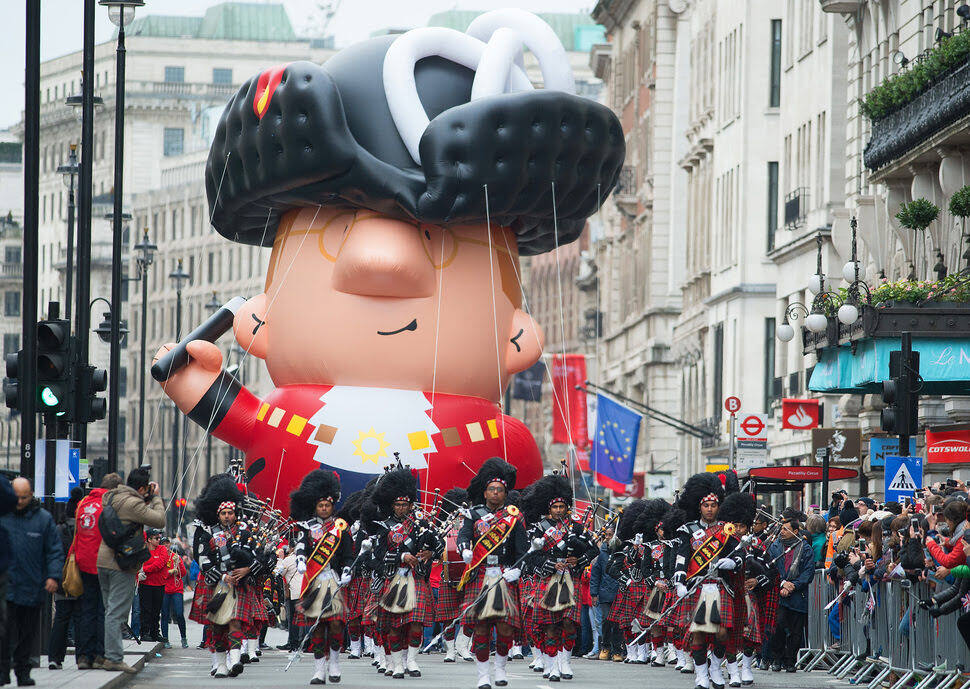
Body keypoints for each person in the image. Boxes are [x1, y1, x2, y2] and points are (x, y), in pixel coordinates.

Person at [456, 458, 527, 689]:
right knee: (482, 627)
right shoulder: (473, 514)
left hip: (504, 576)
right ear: (485, 492)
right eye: (491, 489)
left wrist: (518, 569)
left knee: (506, 628)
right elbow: (463, 536)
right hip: (480, 574)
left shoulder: (514, 517)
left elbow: (522, 550)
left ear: (506, 494)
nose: (495, 493)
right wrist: (465, 550)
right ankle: (482, 675)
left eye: (500, 490)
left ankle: (500, 669)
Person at [521, 474, 598, 682]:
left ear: (567, 508)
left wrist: (578, 560)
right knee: (550, 625)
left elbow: (594, 550)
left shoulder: (577, 528)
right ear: (549, 508)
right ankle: (552, 664)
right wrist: (550, 564)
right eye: (554, 507)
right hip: (548, 579)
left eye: (561, 507)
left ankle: (566, 661)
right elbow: (531, 556)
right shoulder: (539, 528)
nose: (558, 511)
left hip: (570, 579)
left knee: (570, 623)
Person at [365, 467, 439, 680]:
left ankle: (412, 660)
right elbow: (377, 556)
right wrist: (401, 557)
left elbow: (440, 546)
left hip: (416, 579)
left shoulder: (421, 526)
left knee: (415, 623)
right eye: (397, 504)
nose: (401, 508)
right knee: (394, 626)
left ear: (411, 504)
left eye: (404, 504)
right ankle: (397, 664)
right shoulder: (383, 527)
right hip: (393, 578)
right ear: (392, 505)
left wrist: (429, 552)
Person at [197, 476, 269, 678]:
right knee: (219, 626)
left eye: (230, 513)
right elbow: (203, 559)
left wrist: (247, 570)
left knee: (235, 623)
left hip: (240, 586)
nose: (227, 516)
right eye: (224, 513)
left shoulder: (246, 534)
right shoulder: (209, 534)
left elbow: (259, 557)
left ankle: (235, 660)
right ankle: (220, 665)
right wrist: (221, 575)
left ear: (235, 514)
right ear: (218, 514)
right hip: (219, 585)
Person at [97, 467, 166, 674]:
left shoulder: (111, 497)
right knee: (117, 612)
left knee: (108, 610)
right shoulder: (133, 503)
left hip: (103, 559)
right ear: (143, 488)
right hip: (121, 563)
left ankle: (104, 653)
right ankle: (114, 658)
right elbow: (159, 520)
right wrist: (155, 498)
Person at [670, 472, 734, 689]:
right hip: (698, 585)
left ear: (718, 506)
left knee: (722, 632)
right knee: (698, 632)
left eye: (713, 505)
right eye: (705, 505)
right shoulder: (688, 530)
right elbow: (681, 557)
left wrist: (733, 562)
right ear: (699, 507)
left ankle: (715, 667)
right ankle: (701, 676)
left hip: (720, 586)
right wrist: (679, 582)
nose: (709, 509)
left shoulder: (727, 530)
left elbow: (739, 553)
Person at [290, 469, 354, 685]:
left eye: (327, 505)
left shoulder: (341, 528)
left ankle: (334, 662)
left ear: (332, 505)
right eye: (320, 505)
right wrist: (300, 560)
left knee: (336, 625)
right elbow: (301, 547)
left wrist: (347, 570)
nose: (324, 509)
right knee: (317, 627)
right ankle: (319, 669)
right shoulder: (307, 528)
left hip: (334, 581)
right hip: (314, 581)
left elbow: (348, 554)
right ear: (315, 506)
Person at [0, 477, 62, 686]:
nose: (19, 501)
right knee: (4, 631)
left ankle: (23, 672)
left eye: (24, 497)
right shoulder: (3, 514)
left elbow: (54, 550)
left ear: (31, 495)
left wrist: (53, 576)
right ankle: (2, 671)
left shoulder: (43, 519)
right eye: (16, 496)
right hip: (6, 585)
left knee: (27, 633)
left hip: (32, 585)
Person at [73, 473, 118, 669]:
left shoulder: (83, 503)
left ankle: (83, 655)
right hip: (103, 563)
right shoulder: (109, 507)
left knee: (86, 610)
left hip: (82, 561)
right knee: (103, 611)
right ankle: (100, 654)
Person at [767, 515, 815, 673]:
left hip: (797, 595)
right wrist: (782, 583)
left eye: (786, 529)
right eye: (781, 528)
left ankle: (790, 661)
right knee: (778, 626)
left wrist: (793, 585)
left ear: (795, 531)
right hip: (779, 593)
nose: (782, 531)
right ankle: (777, 658)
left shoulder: (805, 548)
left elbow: (808, 571)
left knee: (795, 630)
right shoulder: (775, 547)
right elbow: (770, 568)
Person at [47, 488, 83, 669]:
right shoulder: (83, 529)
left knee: (61, 619)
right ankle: (82, 658)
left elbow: (52, 553)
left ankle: (54, 657)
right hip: (81, 579)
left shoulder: (58, 529)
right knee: (81, 619)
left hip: (62, 579)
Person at [589, 531, 621, 662]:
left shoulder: (622, 553)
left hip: (619, 593)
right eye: (606, 535)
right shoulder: (602, 555)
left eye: (610, 535)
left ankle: (617, 650)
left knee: (618, 622)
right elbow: (595, 575)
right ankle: (605, 647)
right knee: (606, 620)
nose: (608, 537)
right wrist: (594, 594)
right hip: (605, 593)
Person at [138, 529, 168, 643]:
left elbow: (159, 564)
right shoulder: (143, 551)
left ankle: (155, 633)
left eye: (159, 538)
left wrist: (144, 569)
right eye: (156, 538)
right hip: (146, 585)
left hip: (159, 584)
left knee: (156, 610)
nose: (159, 540)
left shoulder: (162, 549)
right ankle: (145, 633)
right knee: (145, 610)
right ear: (149, 540)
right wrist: (139, 573)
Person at [160, 537, 187, 649]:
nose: (166, 546)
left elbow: (183, 573)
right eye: (164, 544)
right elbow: (160, 574)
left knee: (179, 614)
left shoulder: (175, 556)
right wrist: (169, 572)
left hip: (176, 589)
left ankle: (184, 638)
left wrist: (179, 563)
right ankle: (165, 639)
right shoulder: (161, 557)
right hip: (164, 589)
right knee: (165, 615)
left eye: (168, 544)